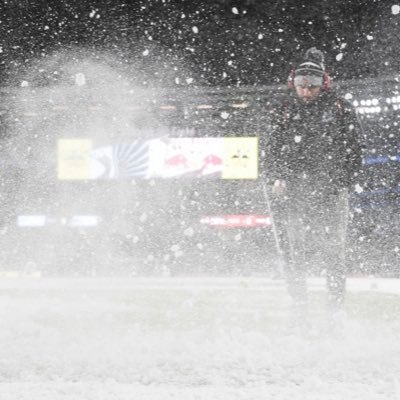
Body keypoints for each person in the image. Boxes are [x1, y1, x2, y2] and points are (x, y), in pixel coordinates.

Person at [265, 47, 364, 315]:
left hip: (330, 190)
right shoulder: (283, 109)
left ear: (324, 84)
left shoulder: (341, 107)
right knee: (294, 249)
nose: (307, 92)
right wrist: (277, 176)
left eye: (313, 86)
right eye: (301, 86)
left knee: (334, 249)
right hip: (294, 190)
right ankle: (298, 300)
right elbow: (272, 147)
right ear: (293, 84)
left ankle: (335, 303)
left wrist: (343, 180)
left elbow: (354, 148)